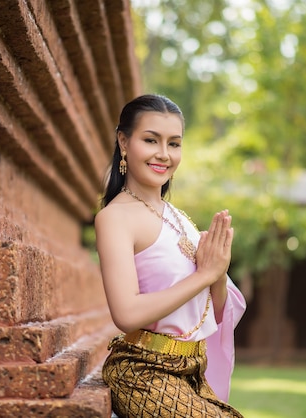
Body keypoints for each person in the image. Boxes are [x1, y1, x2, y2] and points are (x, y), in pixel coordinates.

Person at [95, 94, 246, 418]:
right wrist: (203, 275)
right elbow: (126, 313)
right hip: (143, 372)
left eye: (174, 144)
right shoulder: (115, 218)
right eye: (151, 140)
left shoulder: (179, 219)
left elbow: (215, 312)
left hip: (190, 370)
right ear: (124, 141)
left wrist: (217, 273)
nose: (164, 154)